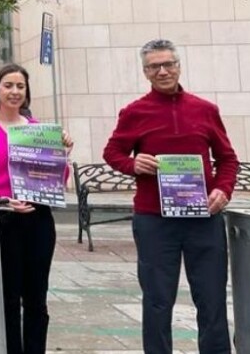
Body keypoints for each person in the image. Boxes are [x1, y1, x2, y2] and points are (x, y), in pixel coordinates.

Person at [102, 39, 238, 354]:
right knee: (158, 300)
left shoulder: (205, 110)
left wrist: (222, 189)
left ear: (178, 66)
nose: (163, 71)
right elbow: (113, 152)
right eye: (154, 66)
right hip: (154, 220)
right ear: (145, 72)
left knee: (212, 297)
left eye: (168, 64)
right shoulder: (134, 112)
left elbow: (228, 159)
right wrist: (132, 163)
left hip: (203, 218)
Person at [0, 63, 73, 354]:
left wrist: (63, 154)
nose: (15, 91)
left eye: (20, 86)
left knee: (36, 298)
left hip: (37, 219)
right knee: (6, 299)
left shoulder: (38, 131)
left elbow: (58, 180)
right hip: (0, 220)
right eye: (8, 85)